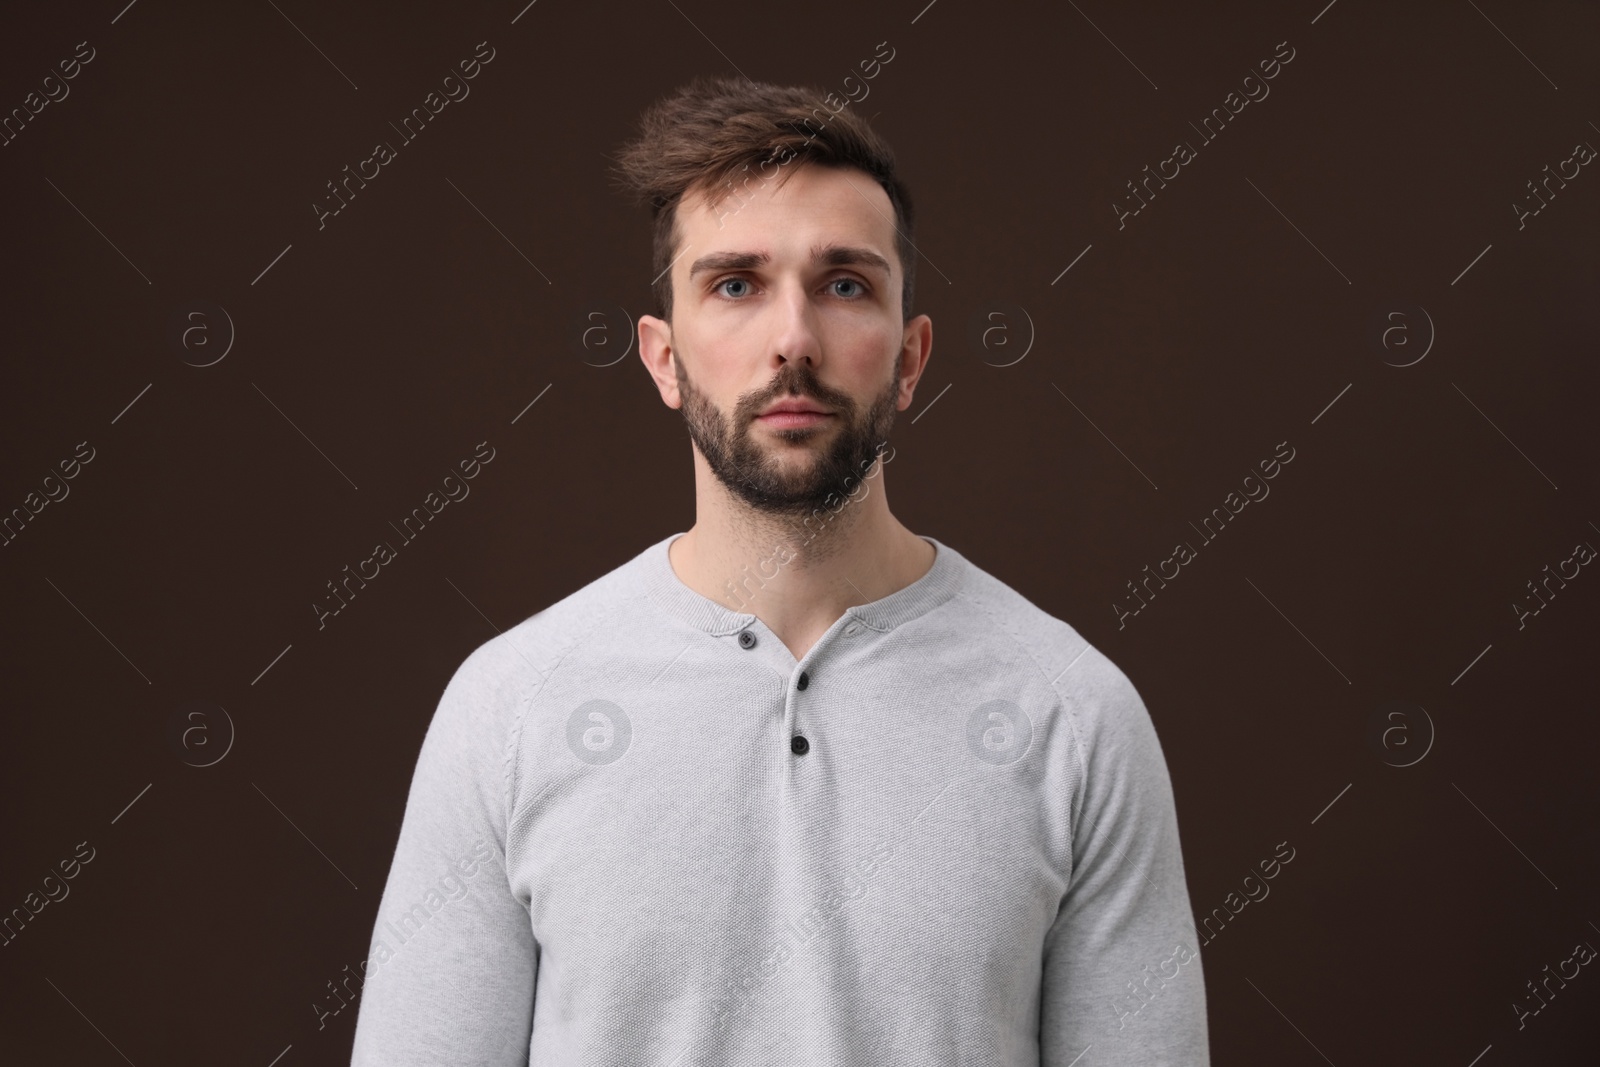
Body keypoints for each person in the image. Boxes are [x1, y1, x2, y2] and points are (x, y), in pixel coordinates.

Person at [349, 73, 1209, 1066]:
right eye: (735, 285)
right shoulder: (507, 709)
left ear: (910, 356)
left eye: (845, 283)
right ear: (663, 358)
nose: (793, 339)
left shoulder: (1077, 716)